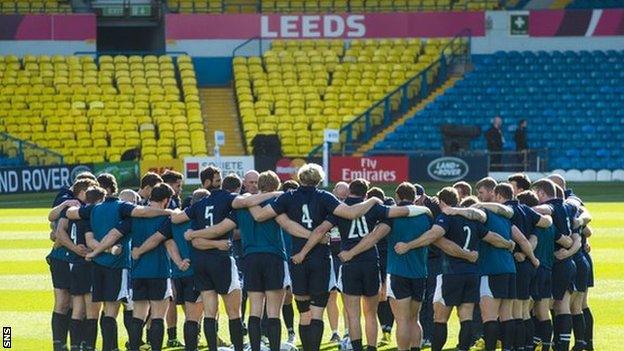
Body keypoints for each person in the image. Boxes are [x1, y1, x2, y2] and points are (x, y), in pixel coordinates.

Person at [245, 163, 382, 351]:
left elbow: (260, 216)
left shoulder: (288, 197)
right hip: (320, 260)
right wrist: (373, 199)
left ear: (299, 178)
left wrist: (249, 197)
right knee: (317, 313)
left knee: (304, 314)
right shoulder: (325, 197)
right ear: (319, 180)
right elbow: (352, 213)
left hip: (297, 260)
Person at [171, 168, 283, 351]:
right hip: (222, 260)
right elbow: (232, 217)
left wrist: (187, 229)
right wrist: (278, 193)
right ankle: (239, 347)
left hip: (200, 261)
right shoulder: (228, 199)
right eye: (218, 178)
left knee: (209, 310)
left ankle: (212, 348)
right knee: (234, 311)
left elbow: (178, 221)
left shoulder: (199, 205)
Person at [392, 187, 515, 351]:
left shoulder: (446, 217)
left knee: (440, 318)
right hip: (471, 274)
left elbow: (434, 235)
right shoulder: (472, 219)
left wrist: (408, 245)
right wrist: (508, 244)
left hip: (451, 273)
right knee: (466, 317)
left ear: (442, 202)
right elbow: (491, 237)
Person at [319, 179, 431, 351]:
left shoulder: (340, 209)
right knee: (371, 313)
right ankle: (372, 348)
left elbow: (323, 228)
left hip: (350, 264)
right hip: (371, 262)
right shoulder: (373, 207)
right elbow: (402, 211)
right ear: (366, 193)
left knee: (353, 314)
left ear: (349, 191)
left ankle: (357, 348)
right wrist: (424, 208)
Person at [66, 173, 172, 351]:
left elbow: (72, 215)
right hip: (119, 266)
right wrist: (168, 211)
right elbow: (142, 214)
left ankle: (99, 347)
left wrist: (97, 251)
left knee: (107, 311)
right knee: (117, 313)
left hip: (99, 266)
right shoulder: (125, 210)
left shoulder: (93, 209)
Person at [47, 173, 96, 351]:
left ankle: (74, 344)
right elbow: (57, 230)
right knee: (65, 302)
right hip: (63, 258)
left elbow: (55, 229)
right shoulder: (70, 201)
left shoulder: (81, 204)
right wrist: (74, 248)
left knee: (75, 304)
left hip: (70, 258)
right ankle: (60, 344)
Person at [531, 179, 582, 351]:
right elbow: (579, 211)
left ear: (541, 193)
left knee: (548, 306)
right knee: (563, 304)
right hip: (568, 262)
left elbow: (544, 209)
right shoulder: (569, 206)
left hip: (557, 262)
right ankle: (562, 345)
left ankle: (548, 343)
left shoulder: (551, 207)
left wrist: (524, 210)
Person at [328, 181, 349, 344]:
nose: (341, 201)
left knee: (348, 296)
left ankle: (348, 331)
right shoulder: (326, 207)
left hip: (347, 256)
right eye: (338, 197)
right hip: (329, 256)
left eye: (344, 198)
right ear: (333, 192)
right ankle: (335, 332)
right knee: (331, 294)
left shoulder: (350, 210)